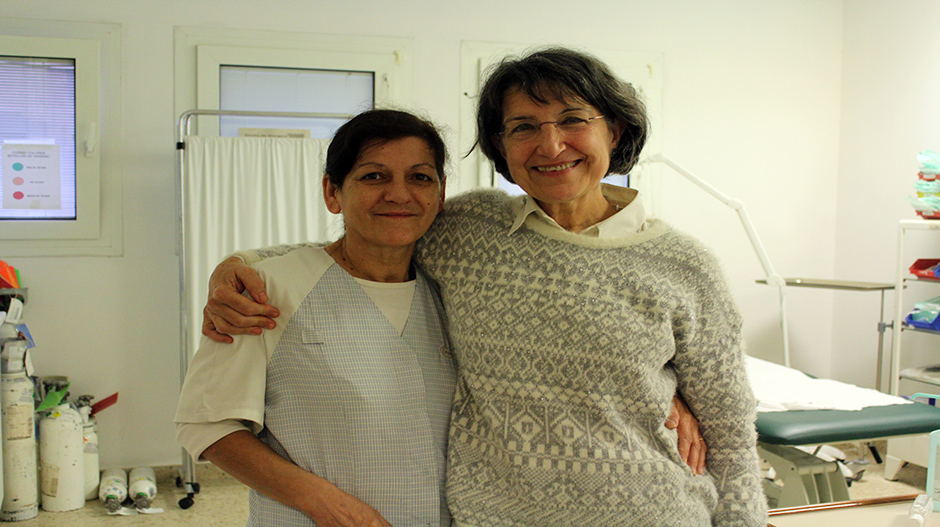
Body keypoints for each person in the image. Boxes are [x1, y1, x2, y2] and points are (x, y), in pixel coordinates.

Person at [203, 47, 767, 526]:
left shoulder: (684, 266)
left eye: (573, 119)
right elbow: (371, 235)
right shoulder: (471, 231)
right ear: (502, 147)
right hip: (496, 516)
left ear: (613, 130)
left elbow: (733, 433)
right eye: (524, 127)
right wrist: (234, 266)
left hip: (653, 512)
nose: (550, 146)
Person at [175, 109, 457, 527]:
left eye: (419, 177)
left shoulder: (450, 293)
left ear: (440, 193)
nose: (399, 194)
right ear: (332, 192)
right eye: (374, 176)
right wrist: (326, 504)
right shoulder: (266, 289)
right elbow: (208, 426)